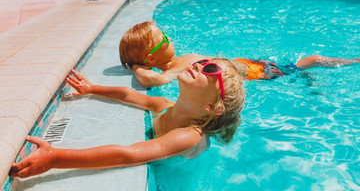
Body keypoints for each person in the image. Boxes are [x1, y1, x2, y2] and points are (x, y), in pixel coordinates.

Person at [10, 58, 246, 178]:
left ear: (213, 106)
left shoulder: (189, 137)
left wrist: (54, 158)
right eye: (204, 62)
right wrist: (93, 89)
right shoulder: (166, 105)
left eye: (211, 70)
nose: (201, 65)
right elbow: (130, 95)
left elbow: (129, 154)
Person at [120, 21, 360, 85]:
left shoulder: (176, 61)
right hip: (258, 72)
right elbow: (154, 79)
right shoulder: (174, 68)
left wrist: (139, 64)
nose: (169, 38)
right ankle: (355, 61)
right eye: (163, 39)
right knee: (312, 61)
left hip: (247, 64)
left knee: (301, 68)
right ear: (151, 58)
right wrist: (138, 67)